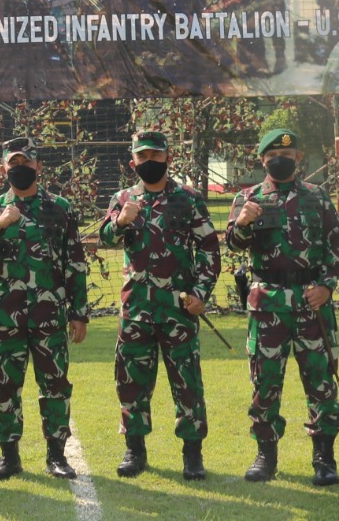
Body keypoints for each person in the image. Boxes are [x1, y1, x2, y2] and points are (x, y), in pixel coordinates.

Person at [0, 137, 89, 481]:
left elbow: (75, 263)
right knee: (5, 385)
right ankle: (9, 456)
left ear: (38, 166)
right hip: (6, 316)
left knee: (55, 385)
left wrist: (79, 313)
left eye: (26, 162)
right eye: (13, 163)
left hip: (49, 316)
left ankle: (57, 456)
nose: (20, 168)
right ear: (3, 168)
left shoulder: (59, 207)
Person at [99, 130, 220, 480]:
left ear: (168, 158)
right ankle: (134, 451)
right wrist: (121, 220)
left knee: (187, 382)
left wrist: (201, 292)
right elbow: (105, 236)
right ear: (132, 161)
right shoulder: (122, 198)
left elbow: (209, 249)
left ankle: (192, 455)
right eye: (143, 157)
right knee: (131, 381)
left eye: (155, 156)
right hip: (135, 308)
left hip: (177, 310)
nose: (149, 162)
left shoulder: (188, 199)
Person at [226, 129, 339, 486]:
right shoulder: (248, 197)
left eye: (289, 153)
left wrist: (327, 286)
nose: (282, 158)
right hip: (268, 304)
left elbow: (335, 247)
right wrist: (243, 222)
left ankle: (324, 458)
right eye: (275, 154)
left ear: (298, 158)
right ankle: (266, 455)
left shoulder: (318, 197)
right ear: (262, 159)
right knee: (265, 383)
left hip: (312, 301)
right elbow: (233, 243)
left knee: (321, 382)